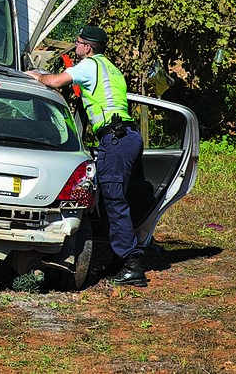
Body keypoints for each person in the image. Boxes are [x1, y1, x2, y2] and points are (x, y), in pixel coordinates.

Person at [26, 25, 148, 287]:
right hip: (127, 137)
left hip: (115, 139)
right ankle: (120, 258)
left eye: (78, 42)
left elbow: (55, 81)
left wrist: (35, 76)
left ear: (88, 47)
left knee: (114, 202)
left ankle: (132, 264)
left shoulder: (89, 65)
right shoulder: (111, 67)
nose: (76, 46)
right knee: (112, 201)